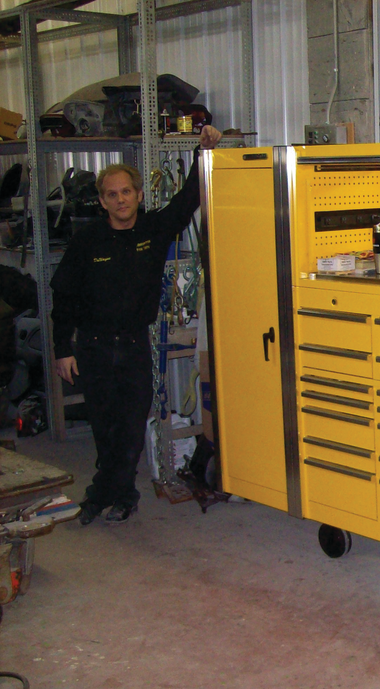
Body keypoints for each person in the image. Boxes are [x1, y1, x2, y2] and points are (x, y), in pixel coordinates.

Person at [51, 125, 223, 525]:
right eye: (111, 194)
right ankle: (120, 495)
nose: (120, 200)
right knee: (104, 427)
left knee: (129, 428)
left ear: (139, 195)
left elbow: (187, 200)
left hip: (133, 346)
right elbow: (64, 297)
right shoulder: (87, 240)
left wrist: (203, 153)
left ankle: (101, 495)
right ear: (102, 201)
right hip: (93, 347)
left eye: (126, 192)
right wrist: (62, 349)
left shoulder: (152, 230)